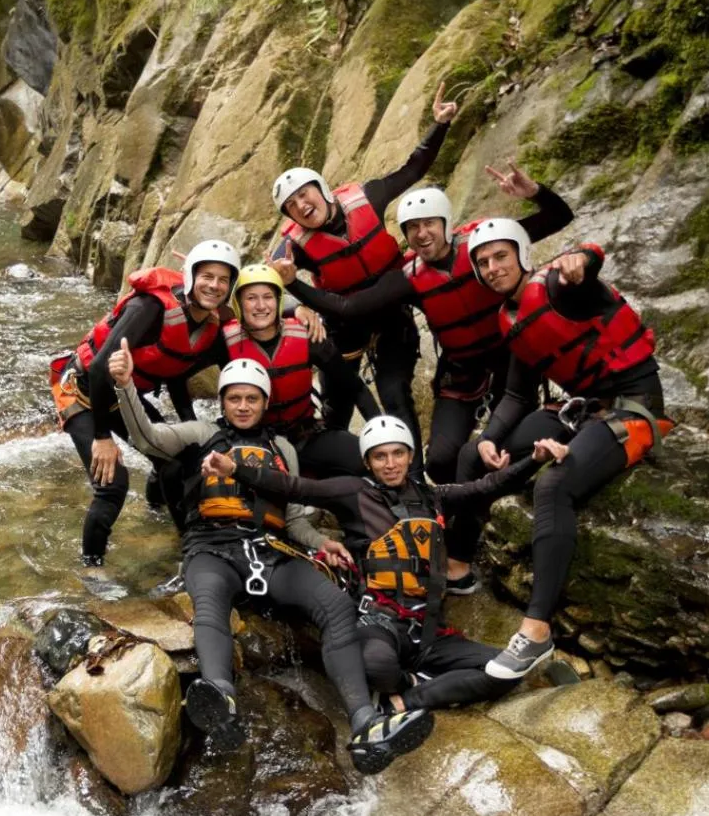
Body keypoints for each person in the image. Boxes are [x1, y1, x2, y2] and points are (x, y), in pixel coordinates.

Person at [108, 346, 433, 774]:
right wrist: (126, 385)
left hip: (271, 552)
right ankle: (219, 694)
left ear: (265, 402)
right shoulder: (200, 433)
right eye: (235, 398)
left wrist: (321, 544)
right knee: (209, 599)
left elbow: (294, 517)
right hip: (212, 548)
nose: (243, 406)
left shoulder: (282, 447)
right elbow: (149, 437)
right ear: (223, 401)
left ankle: (365, 722)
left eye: (252, 398)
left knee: (335, 606)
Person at [211, 414, 569, 712]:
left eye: (398, 454)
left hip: (429, 630)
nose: (391, 463)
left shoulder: (433, 497)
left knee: (505, 669)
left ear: (410, 456)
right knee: (376, 665)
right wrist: (235, 469)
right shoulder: (352, 491)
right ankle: (412, 684)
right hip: (379, 622)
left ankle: (406, 698)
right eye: (380, 456)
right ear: (367, 462)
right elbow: (292, 486)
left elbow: (488, 486)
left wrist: (533, 461)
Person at [273, 161, 574, 500]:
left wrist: (534, 192)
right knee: (440, 465)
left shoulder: (484, 248)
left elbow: (558, 217)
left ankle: (504, 474)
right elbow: (348, 307)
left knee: (498, 445)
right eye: (412, 228)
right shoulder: (409, 278)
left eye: (429, 224)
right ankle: (418, 487)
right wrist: (296, 295)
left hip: (512, 365)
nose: (422, 234)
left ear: (446, 223)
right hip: (461, 373)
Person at [458, 223, 674, 680]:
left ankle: (536, 632)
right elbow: (517, 396)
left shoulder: (561, 286)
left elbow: (588, 263)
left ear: (521, 256)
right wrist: (492, 437)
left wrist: (580, 257)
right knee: (472, 455)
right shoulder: (511, 317)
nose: (493, 268)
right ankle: (455, 566)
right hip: (580, 407)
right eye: (483, 262)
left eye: (501, 257)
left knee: (554, 486)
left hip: (632, 408)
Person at [267, 83, 458, 449]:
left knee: (394, 393)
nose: (302, 205)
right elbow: (264, 288)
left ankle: (412, 477)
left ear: (321, 189)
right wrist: (300, 304)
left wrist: (440, 125)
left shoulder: (367, 198)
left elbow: (412, 169)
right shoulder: (293, 247)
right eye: (291, 205)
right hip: (343, 324)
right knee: (336, 413)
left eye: (304, 194)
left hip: (391, 311)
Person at [50, 240, 240, 567]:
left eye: (223, 280)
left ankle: (166, 522)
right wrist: (102, 439)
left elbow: (175, 368)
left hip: (125, 393)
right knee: (112, 485)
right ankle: (92, 570)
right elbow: (98, 369)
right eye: (207, 276)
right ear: (191, 277)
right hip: (83, 390)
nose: (215, 285)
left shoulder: (211, 324)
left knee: (176, 461)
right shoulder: (150, 309)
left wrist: (188, 425)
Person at [222, 264, 365, 478]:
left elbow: (354, 387)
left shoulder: (308, 336)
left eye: (268, 297)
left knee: (365, 459)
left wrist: (382, 435)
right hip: (252, 439)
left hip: (305, 435)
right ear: (238, 304)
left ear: (278, 301)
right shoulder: (222, 342)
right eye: (251, 298)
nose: (261, 305)